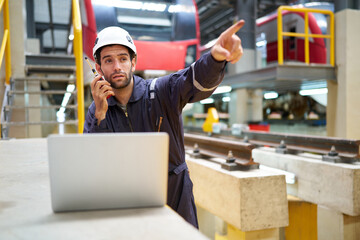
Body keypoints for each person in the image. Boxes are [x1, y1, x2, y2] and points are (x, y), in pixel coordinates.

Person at [83, 20, 245, 228]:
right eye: (108, 61)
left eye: (123, 59)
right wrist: (100, 114)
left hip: (175, 195)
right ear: (98, 69)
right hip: (127, 201)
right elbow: (95, 164)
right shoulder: (95, 111)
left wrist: (215, 59)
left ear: (133, 62)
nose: (117, 67)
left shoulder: (160, 91)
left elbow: (194, 80)